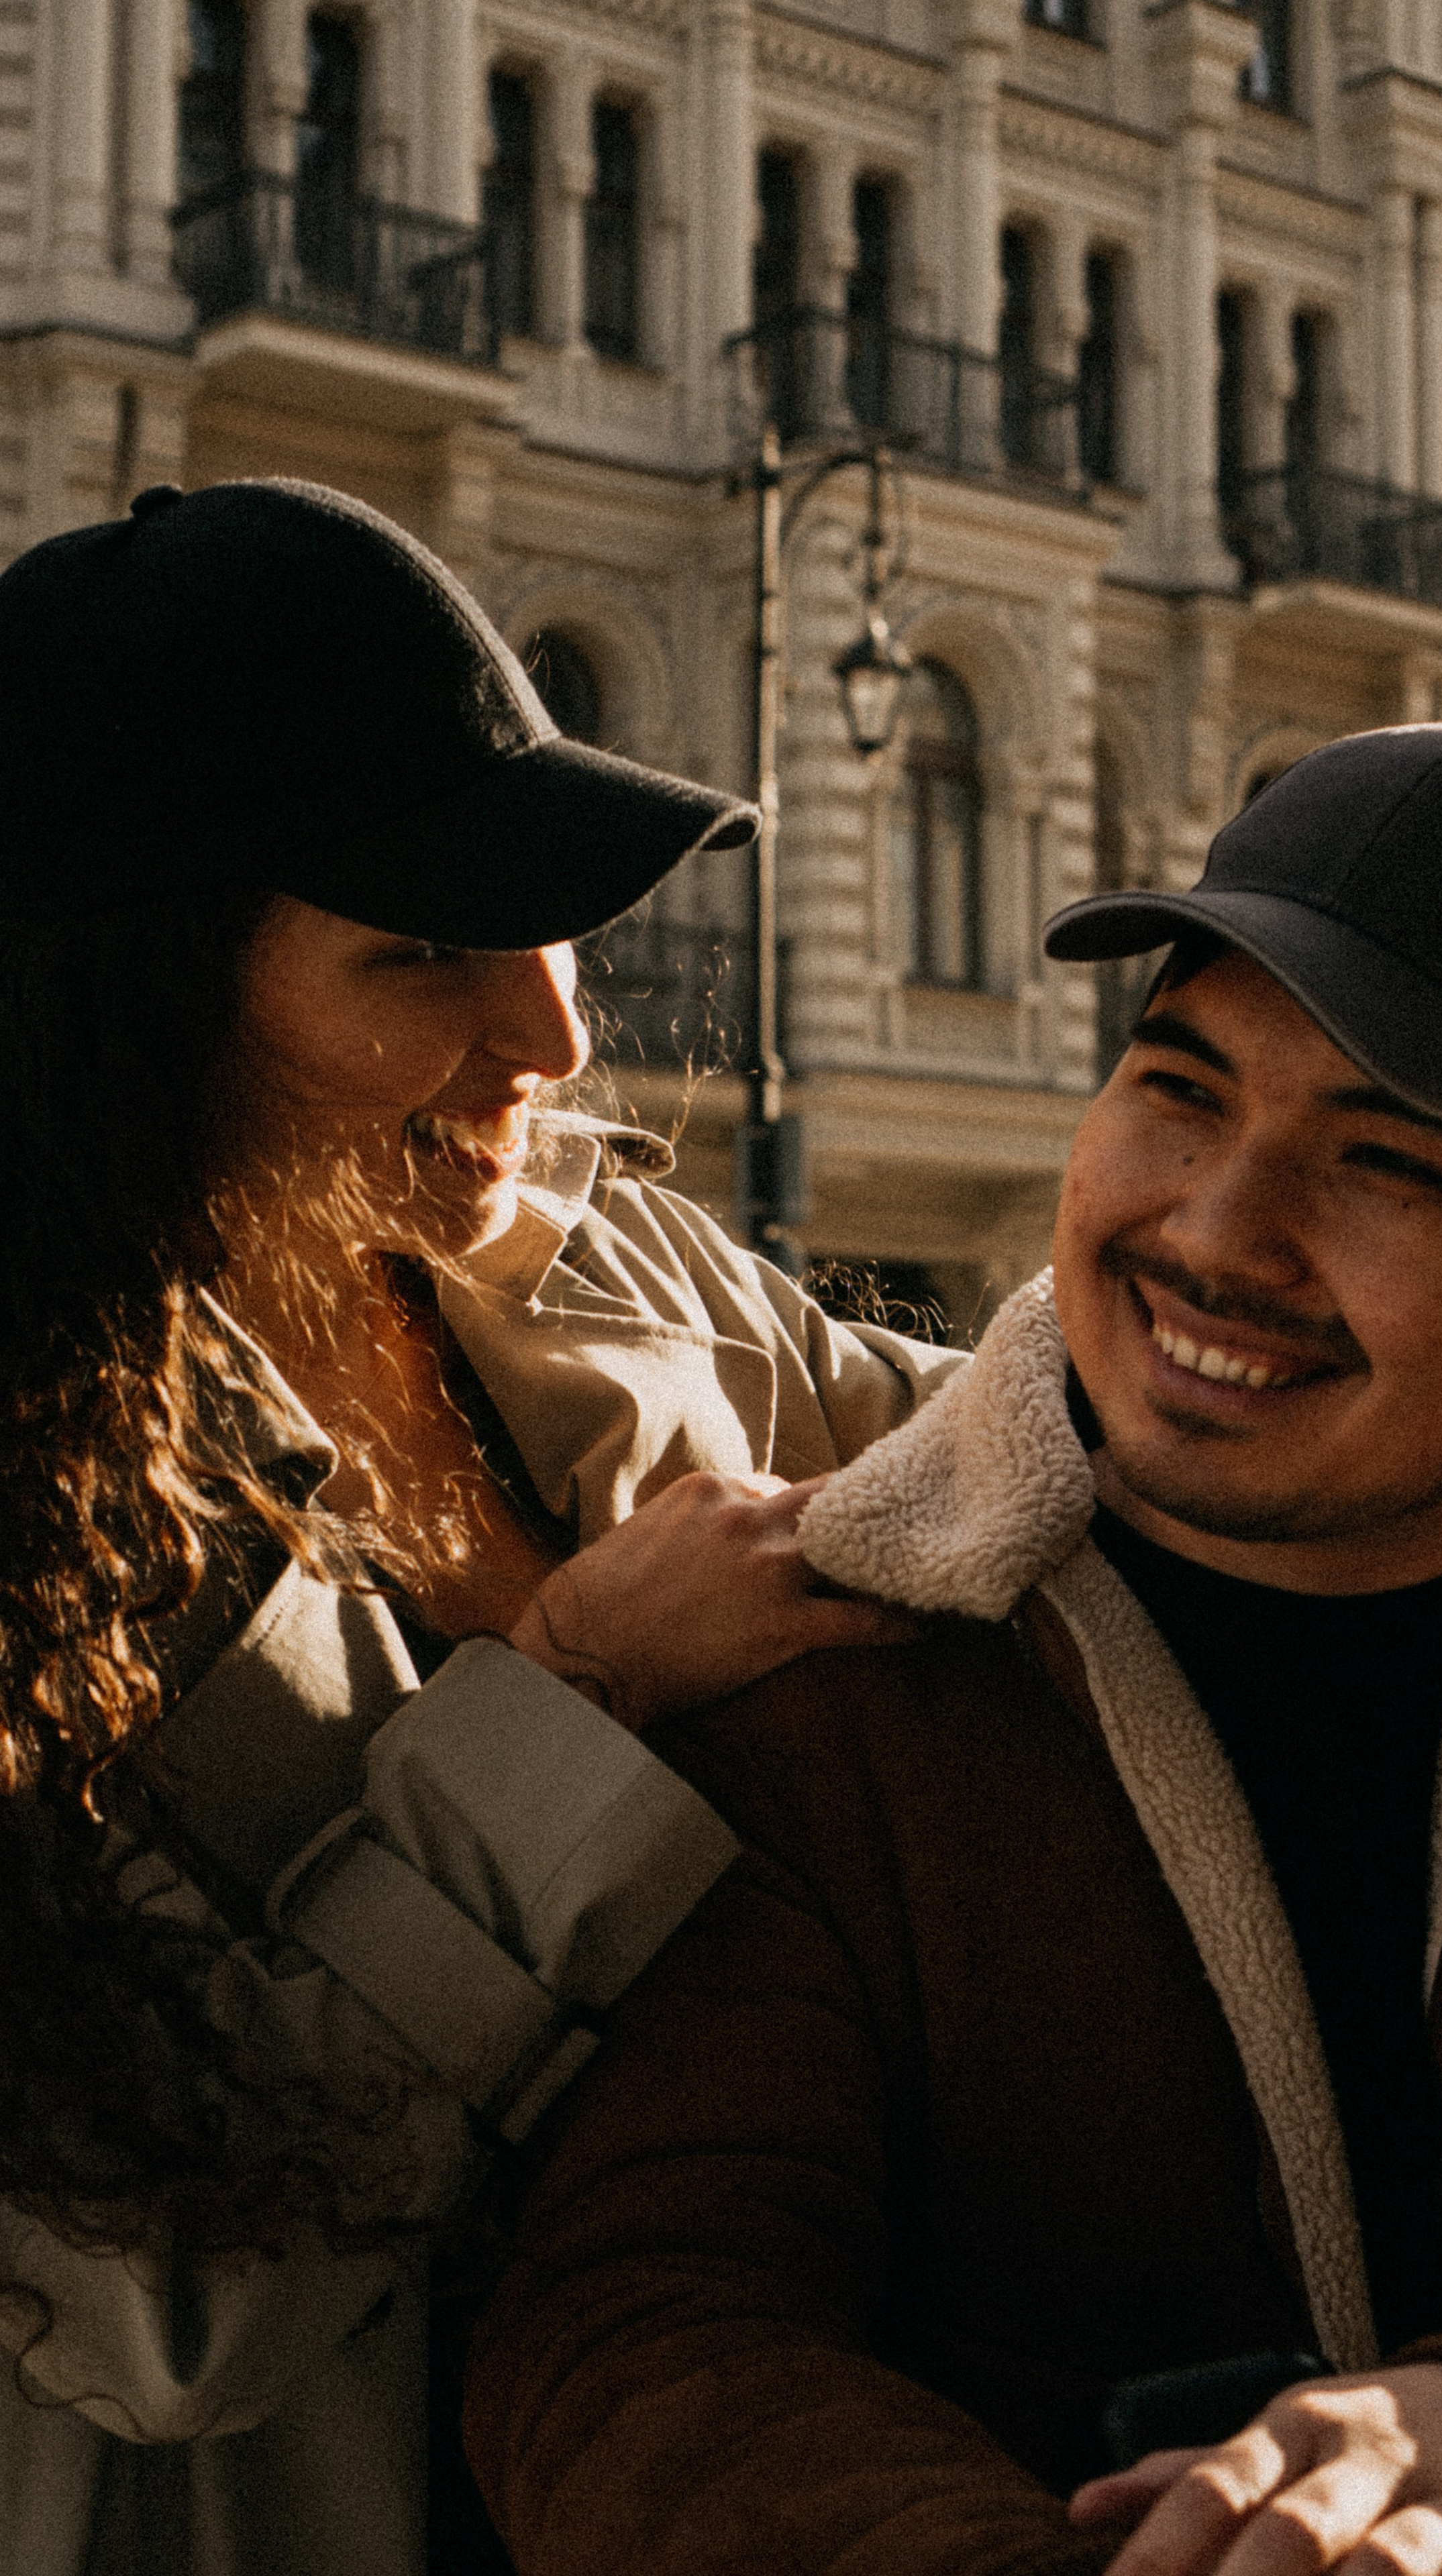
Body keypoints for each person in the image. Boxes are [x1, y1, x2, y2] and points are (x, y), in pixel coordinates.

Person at [466, 722, 1442, 2576]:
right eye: (1183, 1092)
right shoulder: (832, 1673)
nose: (1221, 1232)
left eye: (1383, 1163)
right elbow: (640, 2336)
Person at [0, 478, 962, 2576]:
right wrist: (576, 1694)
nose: (555, 1033)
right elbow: (158, 2300)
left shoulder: (595, 1266)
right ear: (123, 1005)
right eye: (422, 947)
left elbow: (1046, 1450)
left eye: (546, 921)